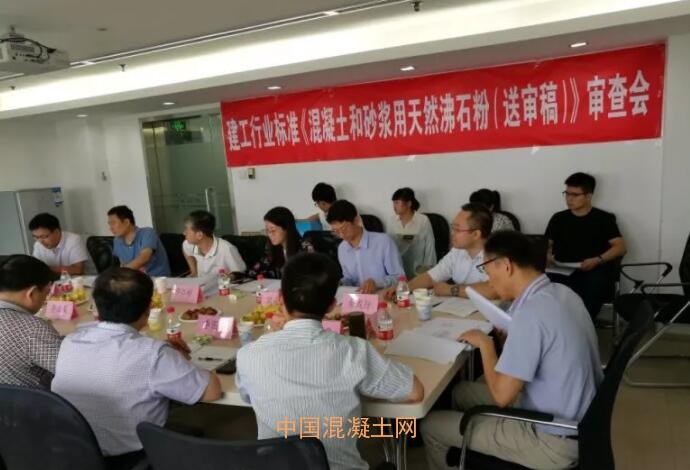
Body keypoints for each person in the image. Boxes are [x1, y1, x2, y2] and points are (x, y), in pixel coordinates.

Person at [421, 231, 603, 469]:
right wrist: (511, 338)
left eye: (488, 272)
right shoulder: (562, 292)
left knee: (432, 425)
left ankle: (466, 451)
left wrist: (486, 344)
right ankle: (466, 451)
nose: (489, 282)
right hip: (579, 417)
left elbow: (502, 396)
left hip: (553, 439)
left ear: (506, 266)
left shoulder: (531, 313)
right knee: (461, 392)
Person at [236, 252, 424, 470]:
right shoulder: (352, 351)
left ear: (279, 298)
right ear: (332, 306)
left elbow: (247, 396)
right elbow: (414, 392)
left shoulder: (249, 355)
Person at [52, 267, 221, 462]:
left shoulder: (71, 341)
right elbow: (211, 391)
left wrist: (169, 355)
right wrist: (175, 358)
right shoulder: (152, 353)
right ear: (148, 311)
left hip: (72, 454)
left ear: (95, 309)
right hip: (129, 457)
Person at [545, 172, 627, 319]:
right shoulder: (559, 218)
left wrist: (597, 259)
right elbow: (547, 244)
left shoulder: (603, 219)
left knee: (595, 285)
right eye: (567, 193)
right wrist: (547, 255)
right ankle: (556, 324)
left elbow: (620, 247)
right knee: (542, 284)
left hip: (592, 268)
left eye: (575, 195)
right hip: (562, 268)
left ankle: (583, 324)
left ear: (588, 196)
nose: (569, 198)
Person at [386, 203, 495, 299]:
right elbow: (431, 277)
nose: (452, 233)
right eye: (452, 228)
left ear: (476, 234)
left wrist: (451, 290)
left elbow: (493, 289)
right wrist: (404, 288)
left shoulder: (497, 254)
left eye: (457, 229)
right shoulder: (457, 251)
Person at [0, 255, 61, 389]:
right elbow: (71, 371)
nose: (46, 299)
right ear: (32, 293)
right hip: (32, 401)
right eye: (46, 292)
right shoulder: (32, 329)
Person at [327, 200, 404, 293]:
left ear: (356, 220)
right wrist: (341, 283)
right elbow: (349, 278)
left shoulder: (384, 242)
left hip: (383, 297)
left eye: (344, 228)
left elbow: (400, 278)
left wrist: (377, 283)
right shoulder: (342, 248)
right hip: (357, 298)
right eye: (336, 231)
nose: (341, 235)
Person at [108, 205, 171, 276]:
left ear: (126, 222)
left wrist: (121, 273)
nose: (110, 228)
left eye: (113, 223)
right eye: (109, 224)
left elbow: (144, 257)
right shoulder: (117, 240)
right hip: (135, 279)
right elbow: (123, 263)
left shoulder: (148, 233)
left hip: (157, 278)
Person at [388, 187, 436, 278]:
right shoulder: (392, 220)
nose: (394, 206)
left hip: (418, 268)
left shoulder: (423, 220)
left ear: (409, 204)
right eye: (393, 203)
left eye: (397, 202)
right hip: (398, 267)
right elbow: (388, 245)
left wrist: (428, 270)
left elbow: (429, 246)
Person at [182, 210, 246, 278]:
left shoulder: (227, 248)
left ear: (199, 235)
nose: (184, 233)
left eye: (186, 230)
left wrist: (230, 277)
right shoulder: (188, 244)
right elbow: (187, 253)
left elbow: (240, 273)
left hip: (221, 284)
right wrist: (194, 272)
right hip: (201, 283)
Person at [248, 206, 304, 279]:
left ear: (286, 228)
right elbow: (253, 272)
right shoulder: (271, 248)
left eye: (273, 230)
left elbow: (308, 277)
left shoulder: (304, 247)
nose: (269, 234)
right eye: (267, 230)